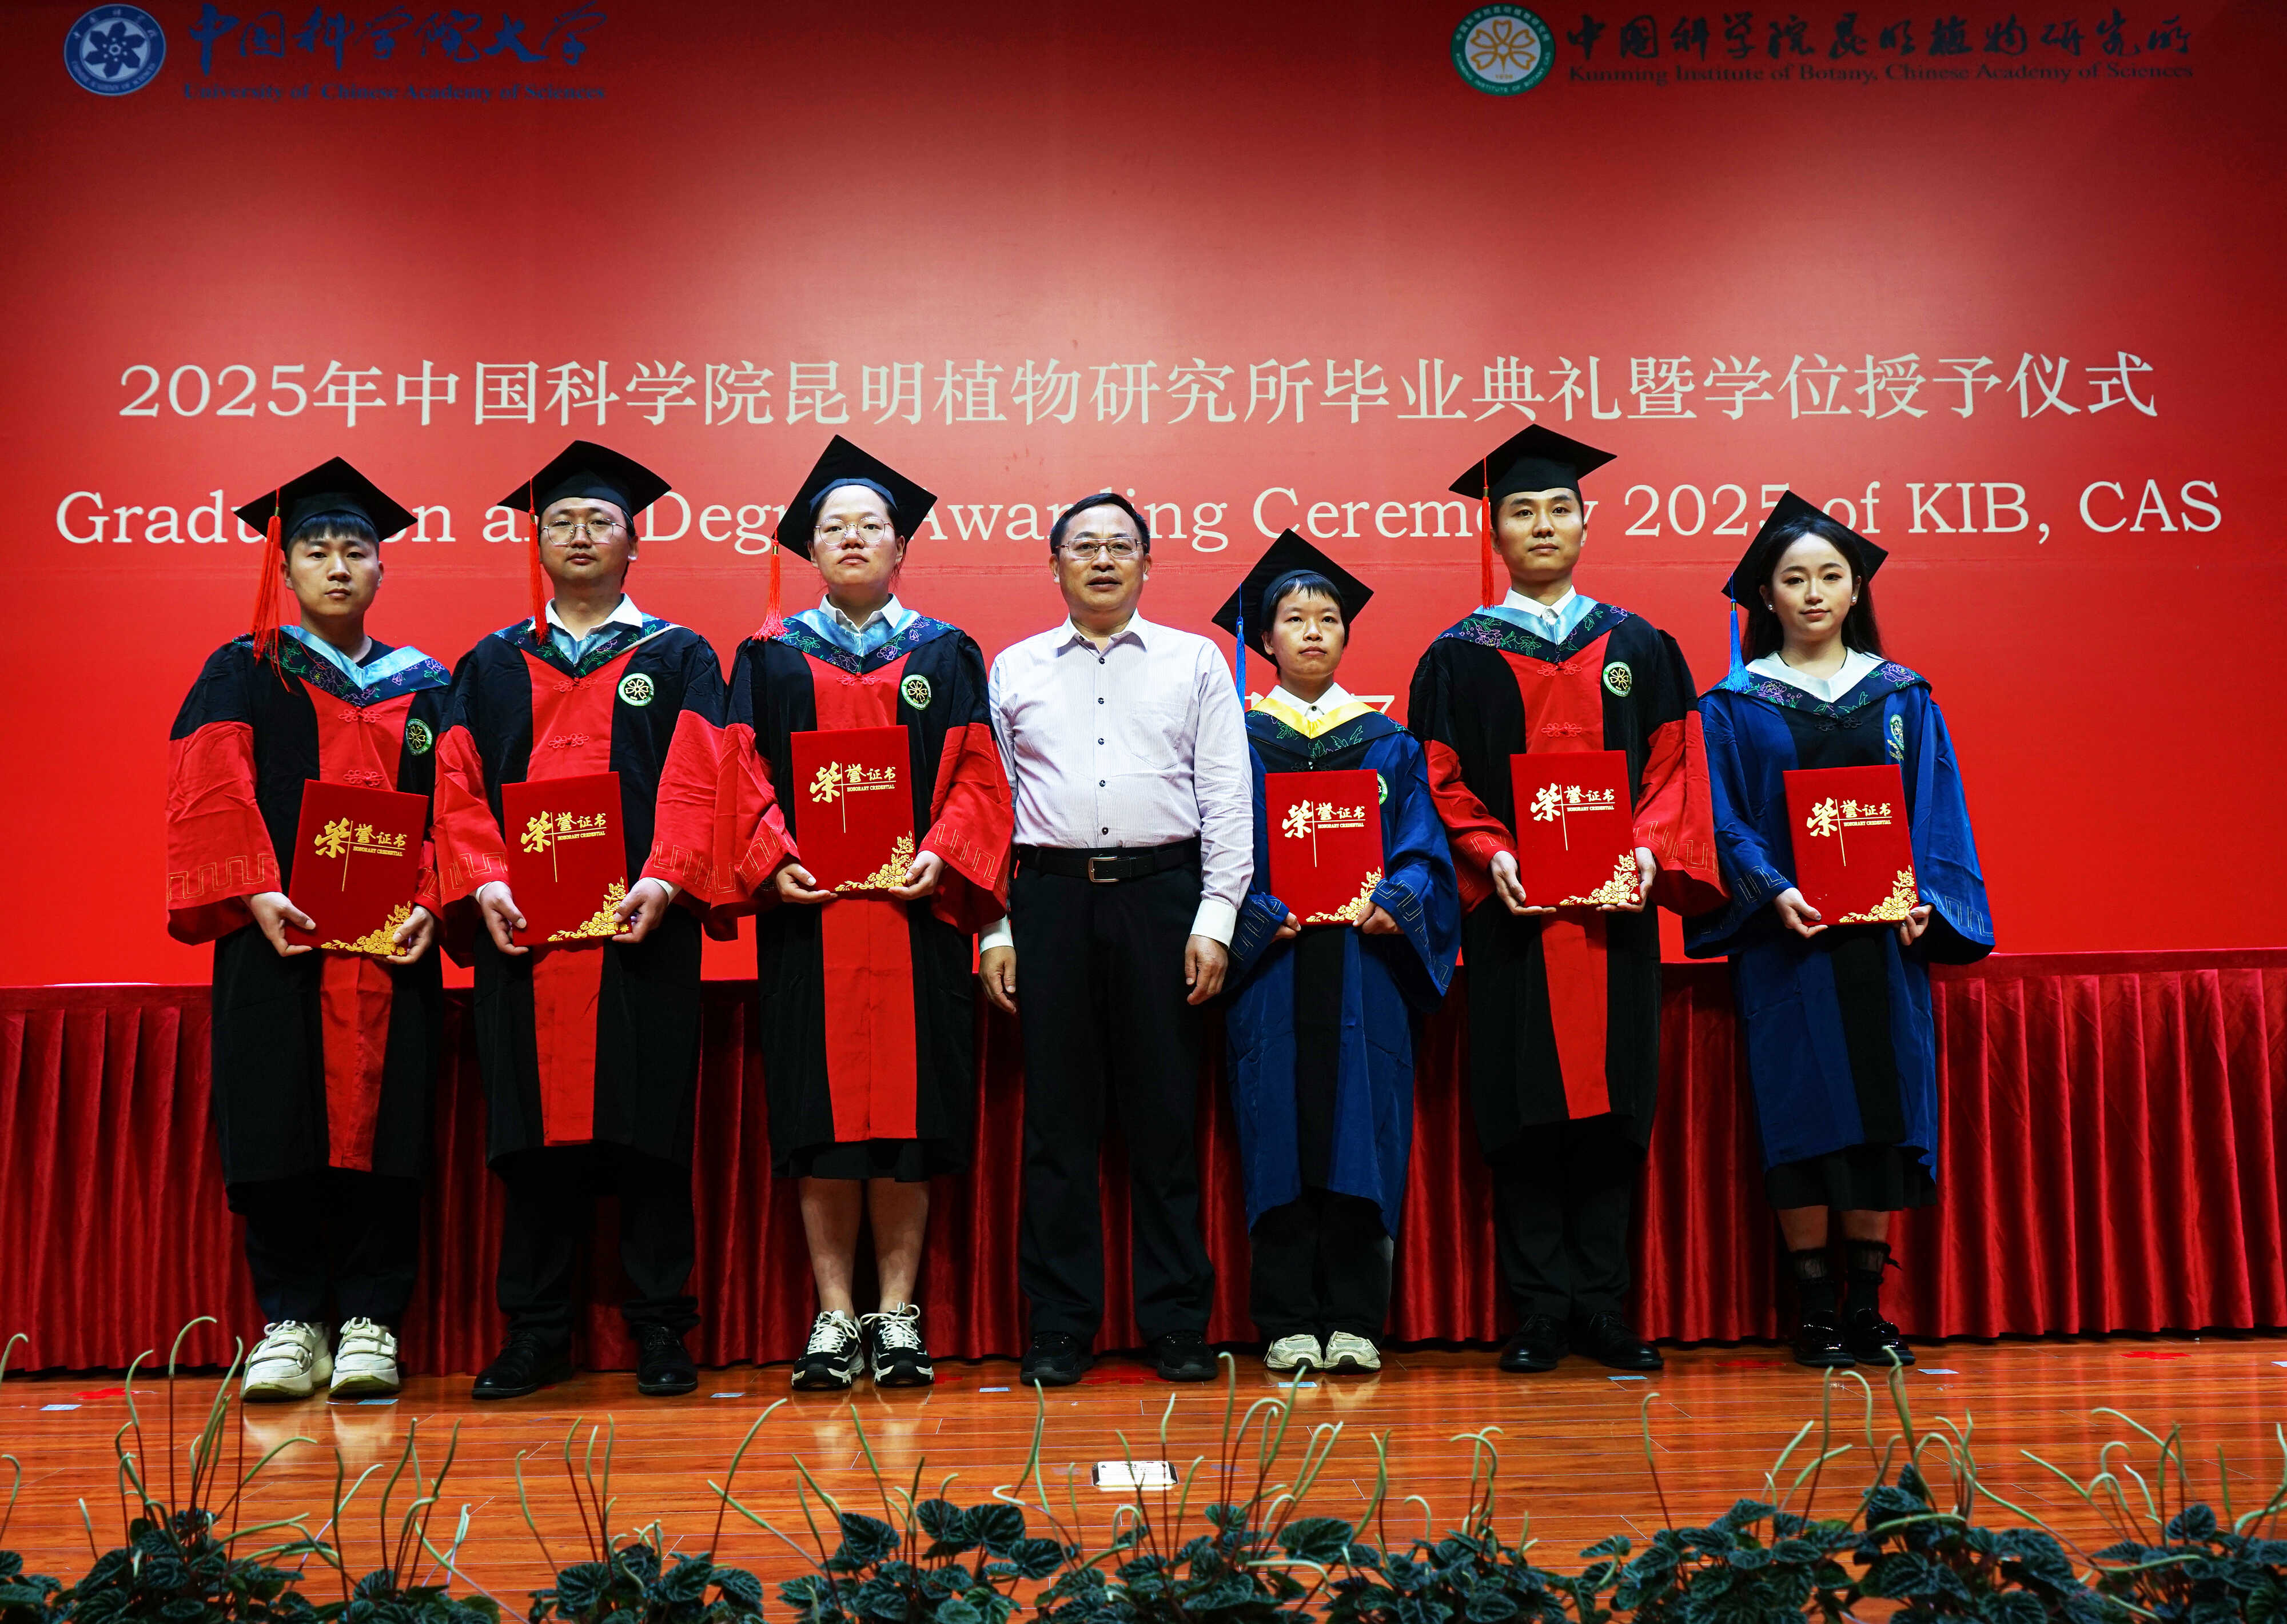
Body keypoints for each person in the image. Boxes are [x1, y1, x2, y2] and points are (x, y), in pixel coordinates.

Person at [1406, 425, 1725, 1375]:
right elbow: (1438, 778)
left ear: (1586, 523)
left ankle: (1604, 1307)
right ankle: (1540, 1308)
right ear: (1495, 531)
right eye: (1522, 511)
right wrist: (1492, 851)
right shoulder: (1457, 657)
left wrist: (1645, 847)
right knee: (1524, 1107)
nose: (1542, 525)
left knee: (1615, 1107)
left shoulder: (1641, 645)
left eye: (1558, 509)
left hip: (1614, 920)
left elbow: (1675, 766)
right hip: (1513, 918)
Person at [430, 441, 728, 1400]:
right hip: (523, 935)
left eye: (601, 520)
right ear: (538, 542)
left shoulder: (680, 657)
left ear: (635, 542)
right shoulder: (489, 663)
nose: (580, 534)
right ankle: (536, 1331)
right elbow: (456, 787)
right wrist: (483, 883)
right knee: (529, 1140)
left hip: (644, 930)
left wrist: (667, 877)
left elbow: (702, 778)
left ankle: (661, 1327)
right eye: (560, 520)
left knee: (650, 1135)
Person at [715, 437, 1013, 1391]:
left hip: (916, 920)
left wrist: (945, 851)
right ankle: (835, 1316)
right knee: (824, 1122)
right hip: (812, 920)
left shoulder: (945, 652)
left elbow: (979, 772)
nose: (852, 537)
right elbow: (740, 772)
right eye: (834, 526)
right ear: (810, 546)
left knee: (908, 1125)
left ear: (900, 545)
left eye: (870, 525)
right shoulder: (769, 657)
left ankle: (898, 1315)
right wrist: (774, 857)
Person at [165, 458, 449, 1401]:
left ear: (381, 569)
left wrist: (431, 898)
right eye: (317, 550)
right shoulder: (244, 669)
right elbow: (213, 787)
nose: (337, 565)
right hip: (278, 941)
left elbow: (457, 806)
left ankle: (371, 1319)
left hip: (390, 948)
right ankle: (289, 1319)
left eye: (355, 550)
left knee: (388, 1127)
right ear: (283, 567)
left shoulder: (429, 686)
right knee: (276, 1119)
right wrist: (254, 892)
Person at [1686, 492, 1992, 1368]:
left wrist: (1931, 898)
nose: (1814, 592)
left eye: (1831, 575)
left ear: (1857, 589)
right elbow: (1721, 818)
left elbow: (1936, 811)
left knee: (1879, 1113)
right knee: (1802, 1110)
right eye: (1795, 579)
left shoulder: (1903, 696)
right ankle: (1814, 1308)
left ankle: (1867, 1305)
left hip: (1884, 942)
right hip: (1790, 939)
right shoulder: (1733, 705)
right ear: (1767, 595)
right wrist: (1771, 887)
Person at [979, 492, 1252, 1386]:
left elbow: (1228, 800)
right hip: (1049, 901)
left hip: (1163, 899)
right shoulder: (1014, 668)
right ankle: (1060, 1324)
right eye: (1084, 546)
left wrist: (1215, 918)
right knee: (1057, 1127)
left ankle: (1176, 1321)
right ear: (1054, 565)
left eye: (1120, 545)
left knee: (1166, 1120)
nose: (1103, 559)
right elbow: (992, 808)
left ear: (1147, 562)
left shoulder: (1195, 661)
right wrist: (996, 927)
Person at [1213, 532, 1460, 1375]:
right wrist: (1251, 914)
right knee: (1276, 1132)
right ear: (1265, 637)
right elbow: (1214, 849)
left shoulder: (1388, 743)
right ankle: (1286, 1318)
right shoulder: (1239, 740)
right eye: (1293, 618)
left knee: (1362, 1131)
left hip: (1364, 968)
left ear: (1347, 634)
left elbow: (1425, 852)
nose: (1312, 630)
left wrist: (1399, 899)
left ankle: (1355, 1317)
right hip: (1274, 969)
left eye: (1327, 618)